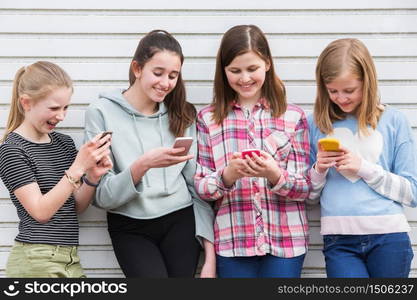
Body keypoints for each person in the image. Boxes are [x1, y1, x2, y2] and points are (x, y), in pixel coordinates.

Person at [84, 30, 215, 278]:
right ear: (137, 68)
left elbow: (195, 186)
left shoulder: (183, 114)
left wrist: (210, 253)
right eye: (158, 73)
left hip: (181, 221)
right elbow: (101, 196)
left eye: (173, 76)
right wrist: (142, 166)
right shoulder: (101, 112)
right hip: (130, 226)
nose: (165, 83)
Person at [194, 25, 310, 278]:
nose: (244, 78)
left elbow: (305, 188)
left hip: (286, 243)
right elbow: (201, 187)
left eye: (252, 68)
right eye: (235, 71)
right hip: (233, 243)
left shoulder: (293, 117)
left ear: (267, 64)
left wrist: (274, 174)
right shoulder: (208, 119)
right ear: (223, 71)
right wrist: (227, 176)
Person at [308, 38, 416, 277]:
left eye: (349, 90)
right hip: (339, 241)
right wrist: (319, 169)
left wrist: (364, 168)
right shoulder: (315, 123)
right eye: (332, 90)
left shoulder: (394, 121)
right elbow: (309, 197)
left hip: (389, 238)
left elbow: (412, 193)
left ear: (367, 83)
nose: (341, 98)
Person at [0, 61, 113, 278]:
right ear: (26, 103)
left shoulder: (64, 143)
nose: (61, 116)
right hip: (36, 259)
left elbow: (75, 206)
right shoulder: (12, 150)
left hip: (69, 258)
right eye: (53, 108)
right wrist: (78, 166)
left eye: (65, 107)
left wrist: (92, 177)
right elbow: (41, 212)